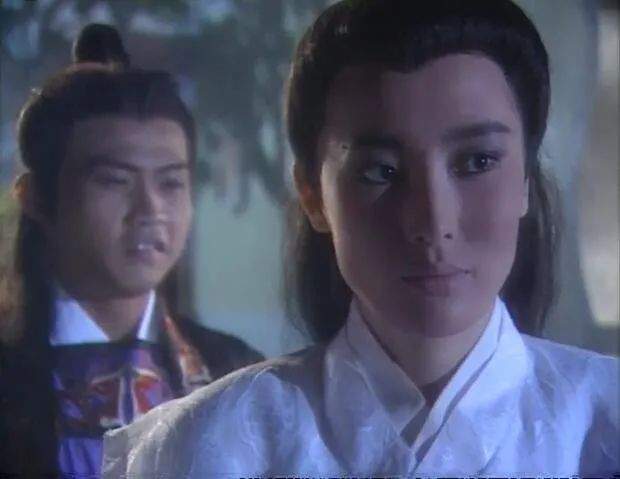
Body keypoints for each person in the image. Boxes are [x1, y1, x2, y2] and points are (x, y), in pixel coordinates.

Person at [102, 1, 619, 476]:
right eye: (381, 171)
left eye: (477, 161)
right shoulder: (206, 446)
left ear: (525, 179)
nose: (432, 220)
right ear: (312, 195)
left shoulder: (605, 424)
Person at [0, 24, 263, 477]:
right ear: (36, 199)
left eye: (170, 183)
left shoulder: (237, 373)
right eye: (114, 181)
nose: (150, 210)